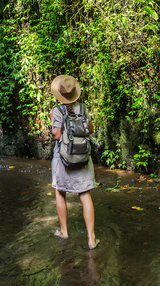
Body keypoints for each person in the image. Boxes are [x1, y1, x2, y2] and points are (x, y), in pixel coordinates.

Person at [49, 75, 100, 249]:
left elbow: (56, 135)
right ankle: (92, 239)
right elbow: (91, 129)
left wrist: (52, 120)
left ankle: (64, 231)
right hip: (83, 156)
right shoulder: (83, 108)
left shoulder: (57, 110)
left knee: (60, 192)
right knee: (85, 195)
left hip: (64, 157)